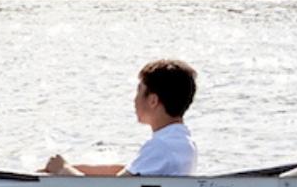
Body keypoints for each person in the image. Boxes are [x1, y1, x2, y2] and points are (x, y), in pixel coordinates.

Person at [44, 60, 199, 177]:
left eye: (139, 91)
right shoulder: (180, 141)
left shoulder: (161, 146)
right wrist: (74, 167)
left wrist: (63, 170)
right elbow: (128, 172)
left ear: (153, 100)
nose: (134, 99)